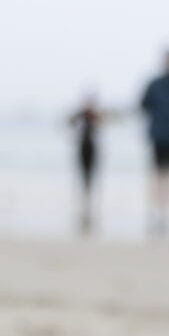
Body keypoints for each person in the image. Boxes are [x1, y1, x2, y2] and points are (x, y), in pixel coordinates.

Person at [139, 49, 169, 238]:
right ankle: (157, 214)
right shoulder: (155, 84)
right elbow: (143, 105)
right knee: (158, 175)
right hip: (158, 134)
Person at [68, 94, 102, 235]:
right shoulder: (81, 115)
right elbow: (70, 122)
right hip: (83, 147)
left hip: (91, 148)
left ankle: (89, 200)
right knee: (83, 175)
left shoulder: (94, 116)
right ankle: (84, 201)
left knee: (90, 176)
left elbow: (102, 122)